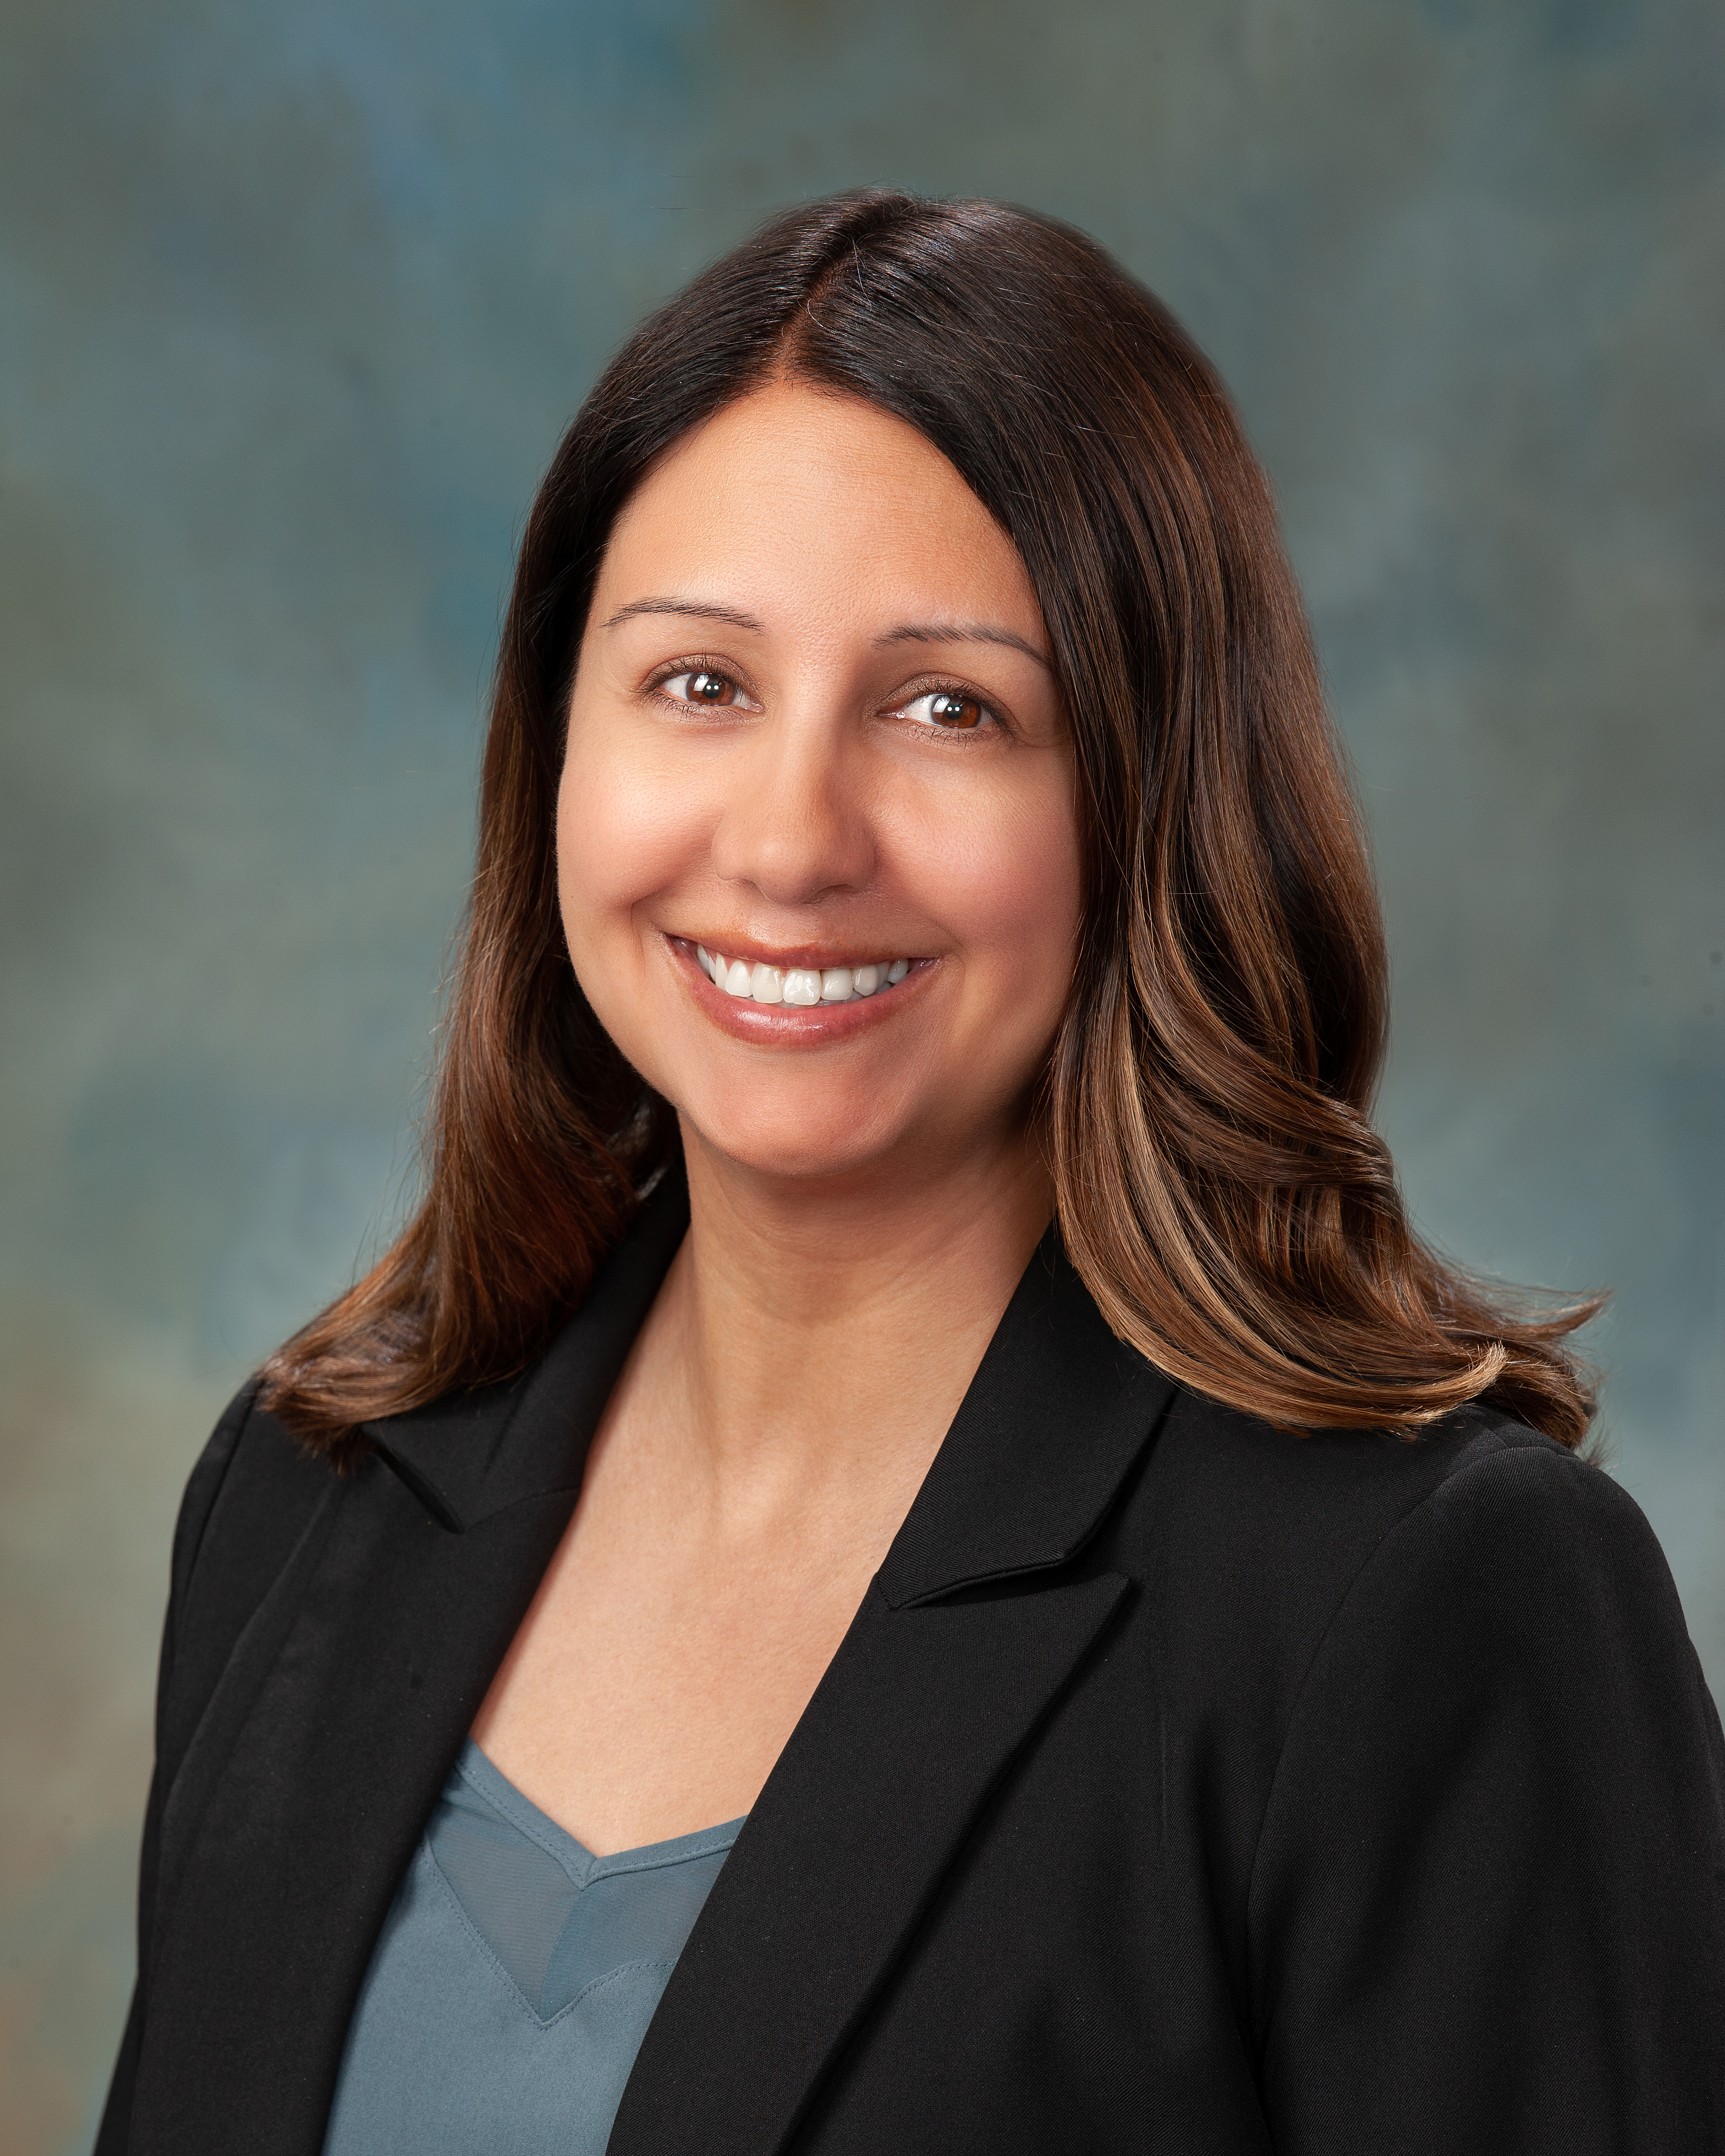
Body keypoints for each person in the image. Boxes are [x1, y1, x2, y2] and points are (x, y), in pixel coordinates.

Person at [98, 190, 1724, 2156]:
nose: (791, 842)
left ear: (1149, 797)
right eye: (700, 683)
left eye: (950, 709)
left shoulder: (1427, 1604)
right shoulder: (308, 1497)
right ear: (554, 750)